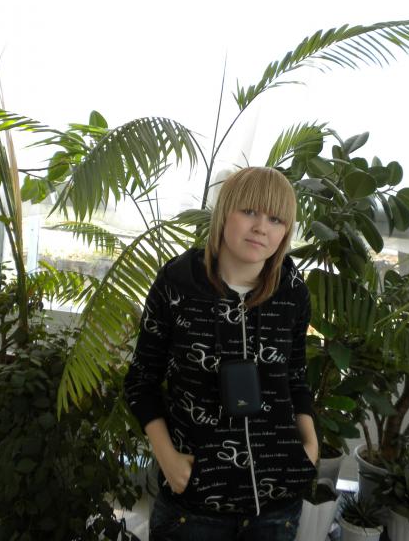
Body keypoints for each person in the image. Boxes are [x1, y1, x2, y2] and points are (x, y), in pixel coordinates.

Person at [124, 166, 318, 541]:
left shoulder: (293, 292)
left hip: (275, 508)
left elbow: (295, 378)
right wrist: (167, 457)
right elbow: (141, 380)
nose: (261, 227)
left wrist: (309, 449)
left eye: (276, 219)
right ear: (225, 212)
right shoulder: (177, 284)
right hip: (194, 506)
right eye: (249, 211)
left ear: (286, 231)